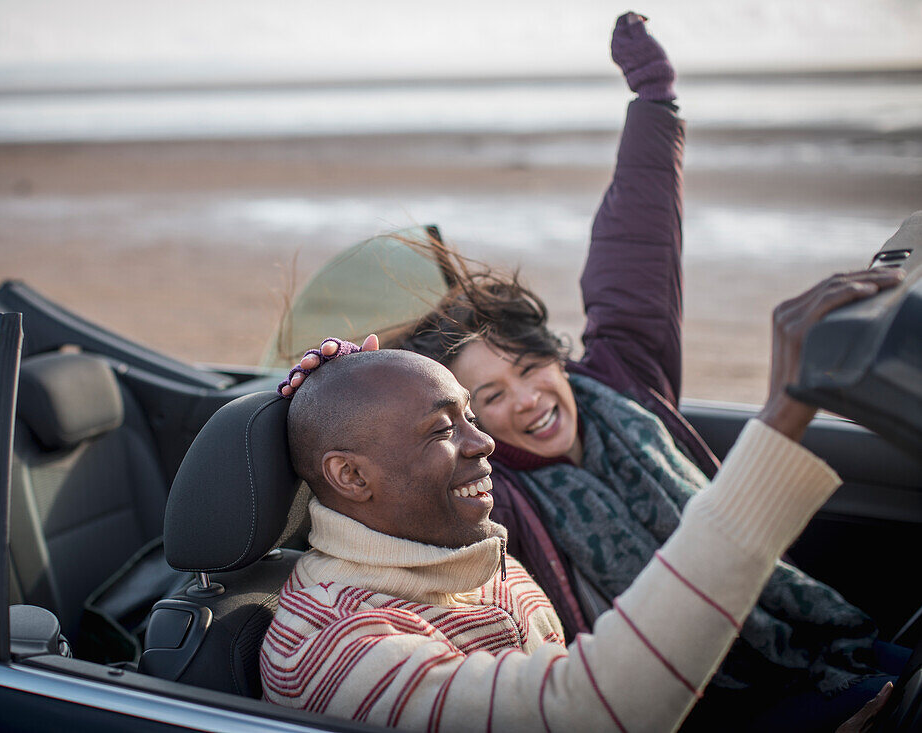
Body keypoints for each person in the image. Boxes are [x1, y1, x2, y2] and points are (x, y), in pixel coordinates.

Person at [274, 13, 909, 730]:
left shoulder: (619, 382)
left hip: (797, 645)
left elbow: (635, 248)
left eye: (530, 367)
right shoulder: (484, 506)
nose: (524, 401)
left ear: (560, 356)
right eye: (482, 401)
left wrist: (654, 103)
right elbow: (596, 703)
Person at [261, 263, 902, 732]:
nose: (483, 443)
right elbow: (589, 712)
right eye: (444, 427)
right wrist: (784, 414)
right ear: (350, 477)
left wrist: (654, 98)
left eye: (466, 417)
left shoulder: (472, 552)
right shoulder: (336, 642)